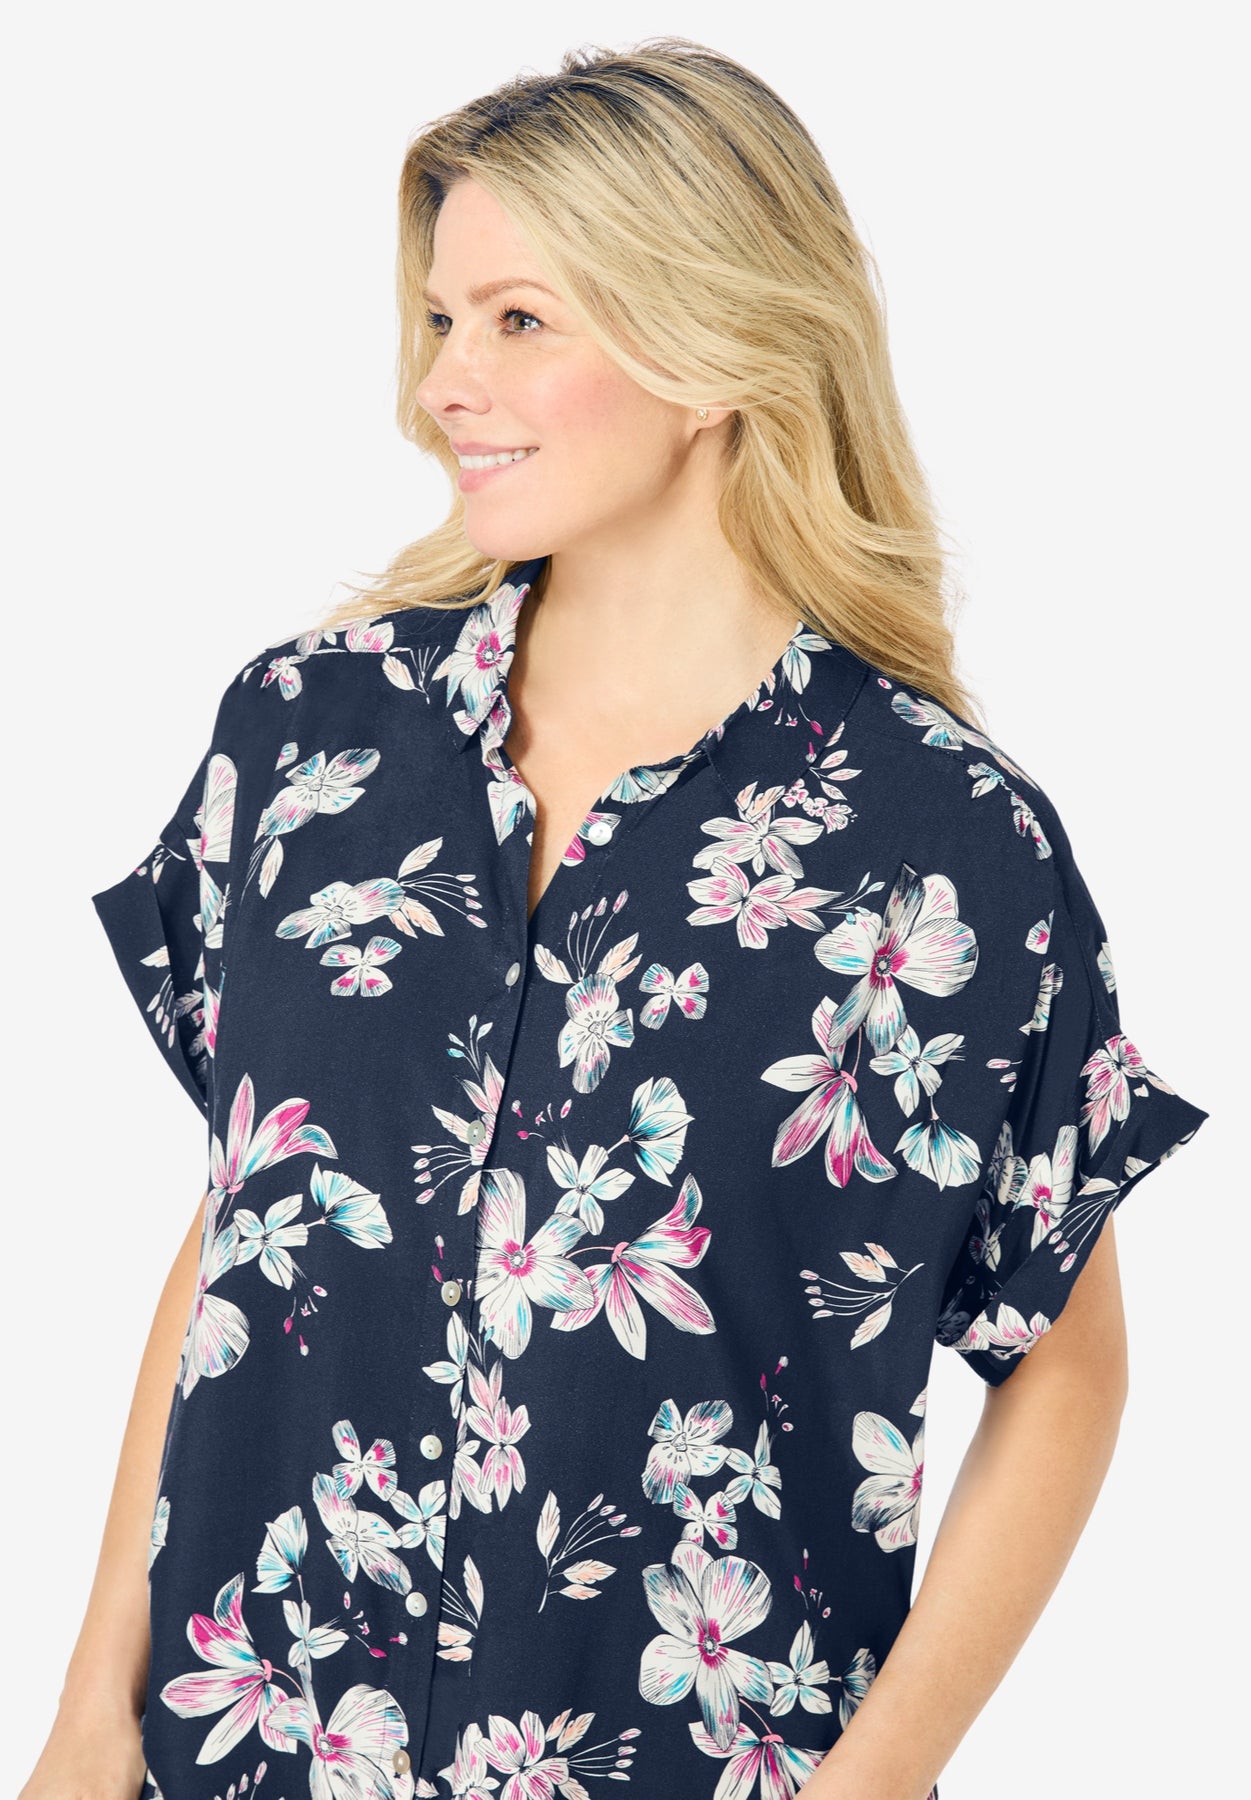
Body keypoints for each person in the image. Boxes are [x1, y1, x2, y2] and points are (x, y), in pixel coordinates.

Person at [24, 35, 1209, 1800]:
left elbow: (1065, 1367)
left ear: (709, 346)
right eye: (444, 319)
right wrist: (86, 1714)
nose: (444, 384)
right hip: (253, 1750)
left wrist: (876, 1782)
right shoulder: (307, 742)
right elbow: (244, 1233)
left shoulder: (947, 851)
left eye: (520, 321)